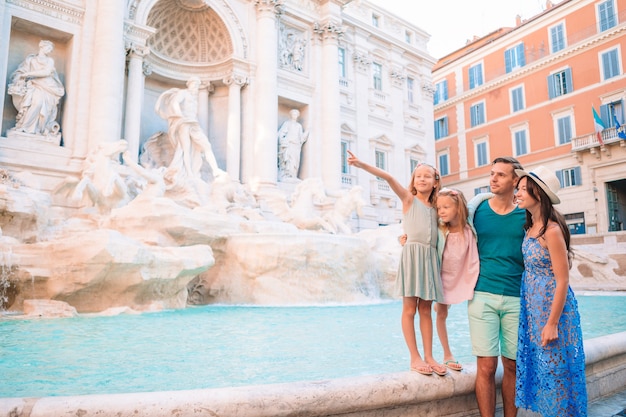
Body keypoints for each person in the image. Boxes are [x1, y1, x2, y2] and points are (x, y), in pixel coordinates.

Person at [347, 151, 447, 376]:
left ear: (435, 182)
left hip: (430, 258)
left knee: (426, 309)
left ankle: (430, 356)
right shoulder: (408, 199)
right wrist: (360, 163)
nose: (421, 179)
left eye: (427, 176)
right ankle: (415, 357)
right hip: (412, 256)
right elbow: (389, 178)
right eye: (418, 176)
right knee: (410, 308)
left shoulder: (438, 207)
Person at [513, 166, 587, 416]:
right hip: (533, 310)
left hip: (553, 312)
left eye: (524, 189)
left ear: (539, 193)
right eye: (518, 189)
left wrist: (552, 323)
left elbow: (563, 280)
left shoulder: (551, 230)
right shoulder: (531, 227)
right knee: (543, 371)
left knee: (556, 373)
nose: (518, 193)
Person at [467, 156, 526, 417]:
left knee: (512, 366)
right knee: (487, 367)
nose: (493, 178)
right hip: (481, 294)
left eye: (501, 174)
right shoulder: (476, 211)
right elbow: (447, 230)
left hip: (517, 296)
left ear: (515, 180)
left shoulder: (527, 213)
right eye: (492, 173)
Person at [435, 187, 480, 372]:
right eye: (438, 208)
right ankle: (447, 353)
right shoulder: (438, 228)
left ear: (459, 207)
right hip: (442, 278)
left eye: (446, 207)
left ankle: (479, 349)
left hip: (464, 274)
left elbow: (478, 199)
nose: (441, 211)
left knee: (476, 309)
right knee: (441, 313)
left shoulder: (468, 226)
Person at [155, 76, 224, 184]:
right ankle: (189, 174)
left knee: (206, 146)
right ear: (189, 85)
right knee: (185, 149)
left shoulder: (193, 98)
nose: (196, 88)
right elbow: (174, 103)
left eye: (197, 86)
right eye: (194, 85)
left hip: (193, 124)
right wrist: (180, 116)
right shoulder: (184, 93)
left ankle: (215, 170)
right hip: (184, 123)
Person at [8, 40, 65, 136]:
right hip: (34, 85)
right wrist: (21, 76)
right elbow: (21, 71)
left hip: (47, 86)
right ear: (42, 47)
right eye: (49, 48)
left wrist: (28, 74)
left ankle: (37, 129)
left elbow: (46, 72)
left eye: (51, 50)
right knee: (36, 103)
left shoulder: (50, 61)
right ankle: (24, 127)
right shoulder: (31, 59)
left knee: (40, 105)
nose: (50, 51)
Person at [277, 109, 309, 181]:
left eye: (296, 114)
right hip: (289, 144)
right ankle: (286, 175)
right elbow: (281, 133)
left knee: (295, 162)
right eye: (293, 114)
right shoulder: (287, 123)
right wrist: (283, 141)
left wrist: (307, 131)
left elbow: (301, 138)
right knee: (288, 160)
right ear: (291, 115)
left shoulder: (299, 126)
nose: (294, 116)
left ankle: (293, 176)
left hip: (296, 146)